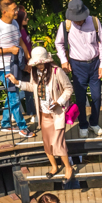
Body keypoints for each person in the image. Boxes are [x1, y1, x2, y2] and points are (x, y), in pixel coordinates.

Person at [54, 0, 102, 136]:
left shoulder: (95, 22)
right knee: (80, 97)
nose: (78, 21)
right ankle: (83, 124)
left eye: (80, 18)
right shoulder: (65, 25)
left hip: (95, 63)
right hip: (77, 65)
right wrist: (63, 60)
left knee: (97, 96)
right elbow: (59, 43)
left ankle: (94, 123)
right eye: (76, 19)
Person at [23, 47, 74, 180]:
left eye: (41, 63)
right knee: (47, 144)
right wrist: (18, 83)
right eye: (36, 63)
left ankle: (68, 168)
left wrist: (59, 102)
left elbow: (68, 88)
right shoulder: (34, 73)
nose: (39, 65)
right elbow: (31, 87)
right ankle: (54, 167)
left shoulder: (57, 71)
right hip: (44, 114)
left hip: (56, 113)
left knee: (58, 144)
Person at [0, 0, 31, 136]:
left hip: (16, 64)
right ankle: (23, 127)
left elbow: (20, 41)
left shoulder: (14, 24)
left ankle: (5, 124)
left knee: (11, 95)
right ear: (5, 11)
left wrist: (28, 58)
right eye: (14, 9)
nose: (17, 12)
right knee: (14, 96)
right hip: (4, 67)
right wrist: (9, 50)